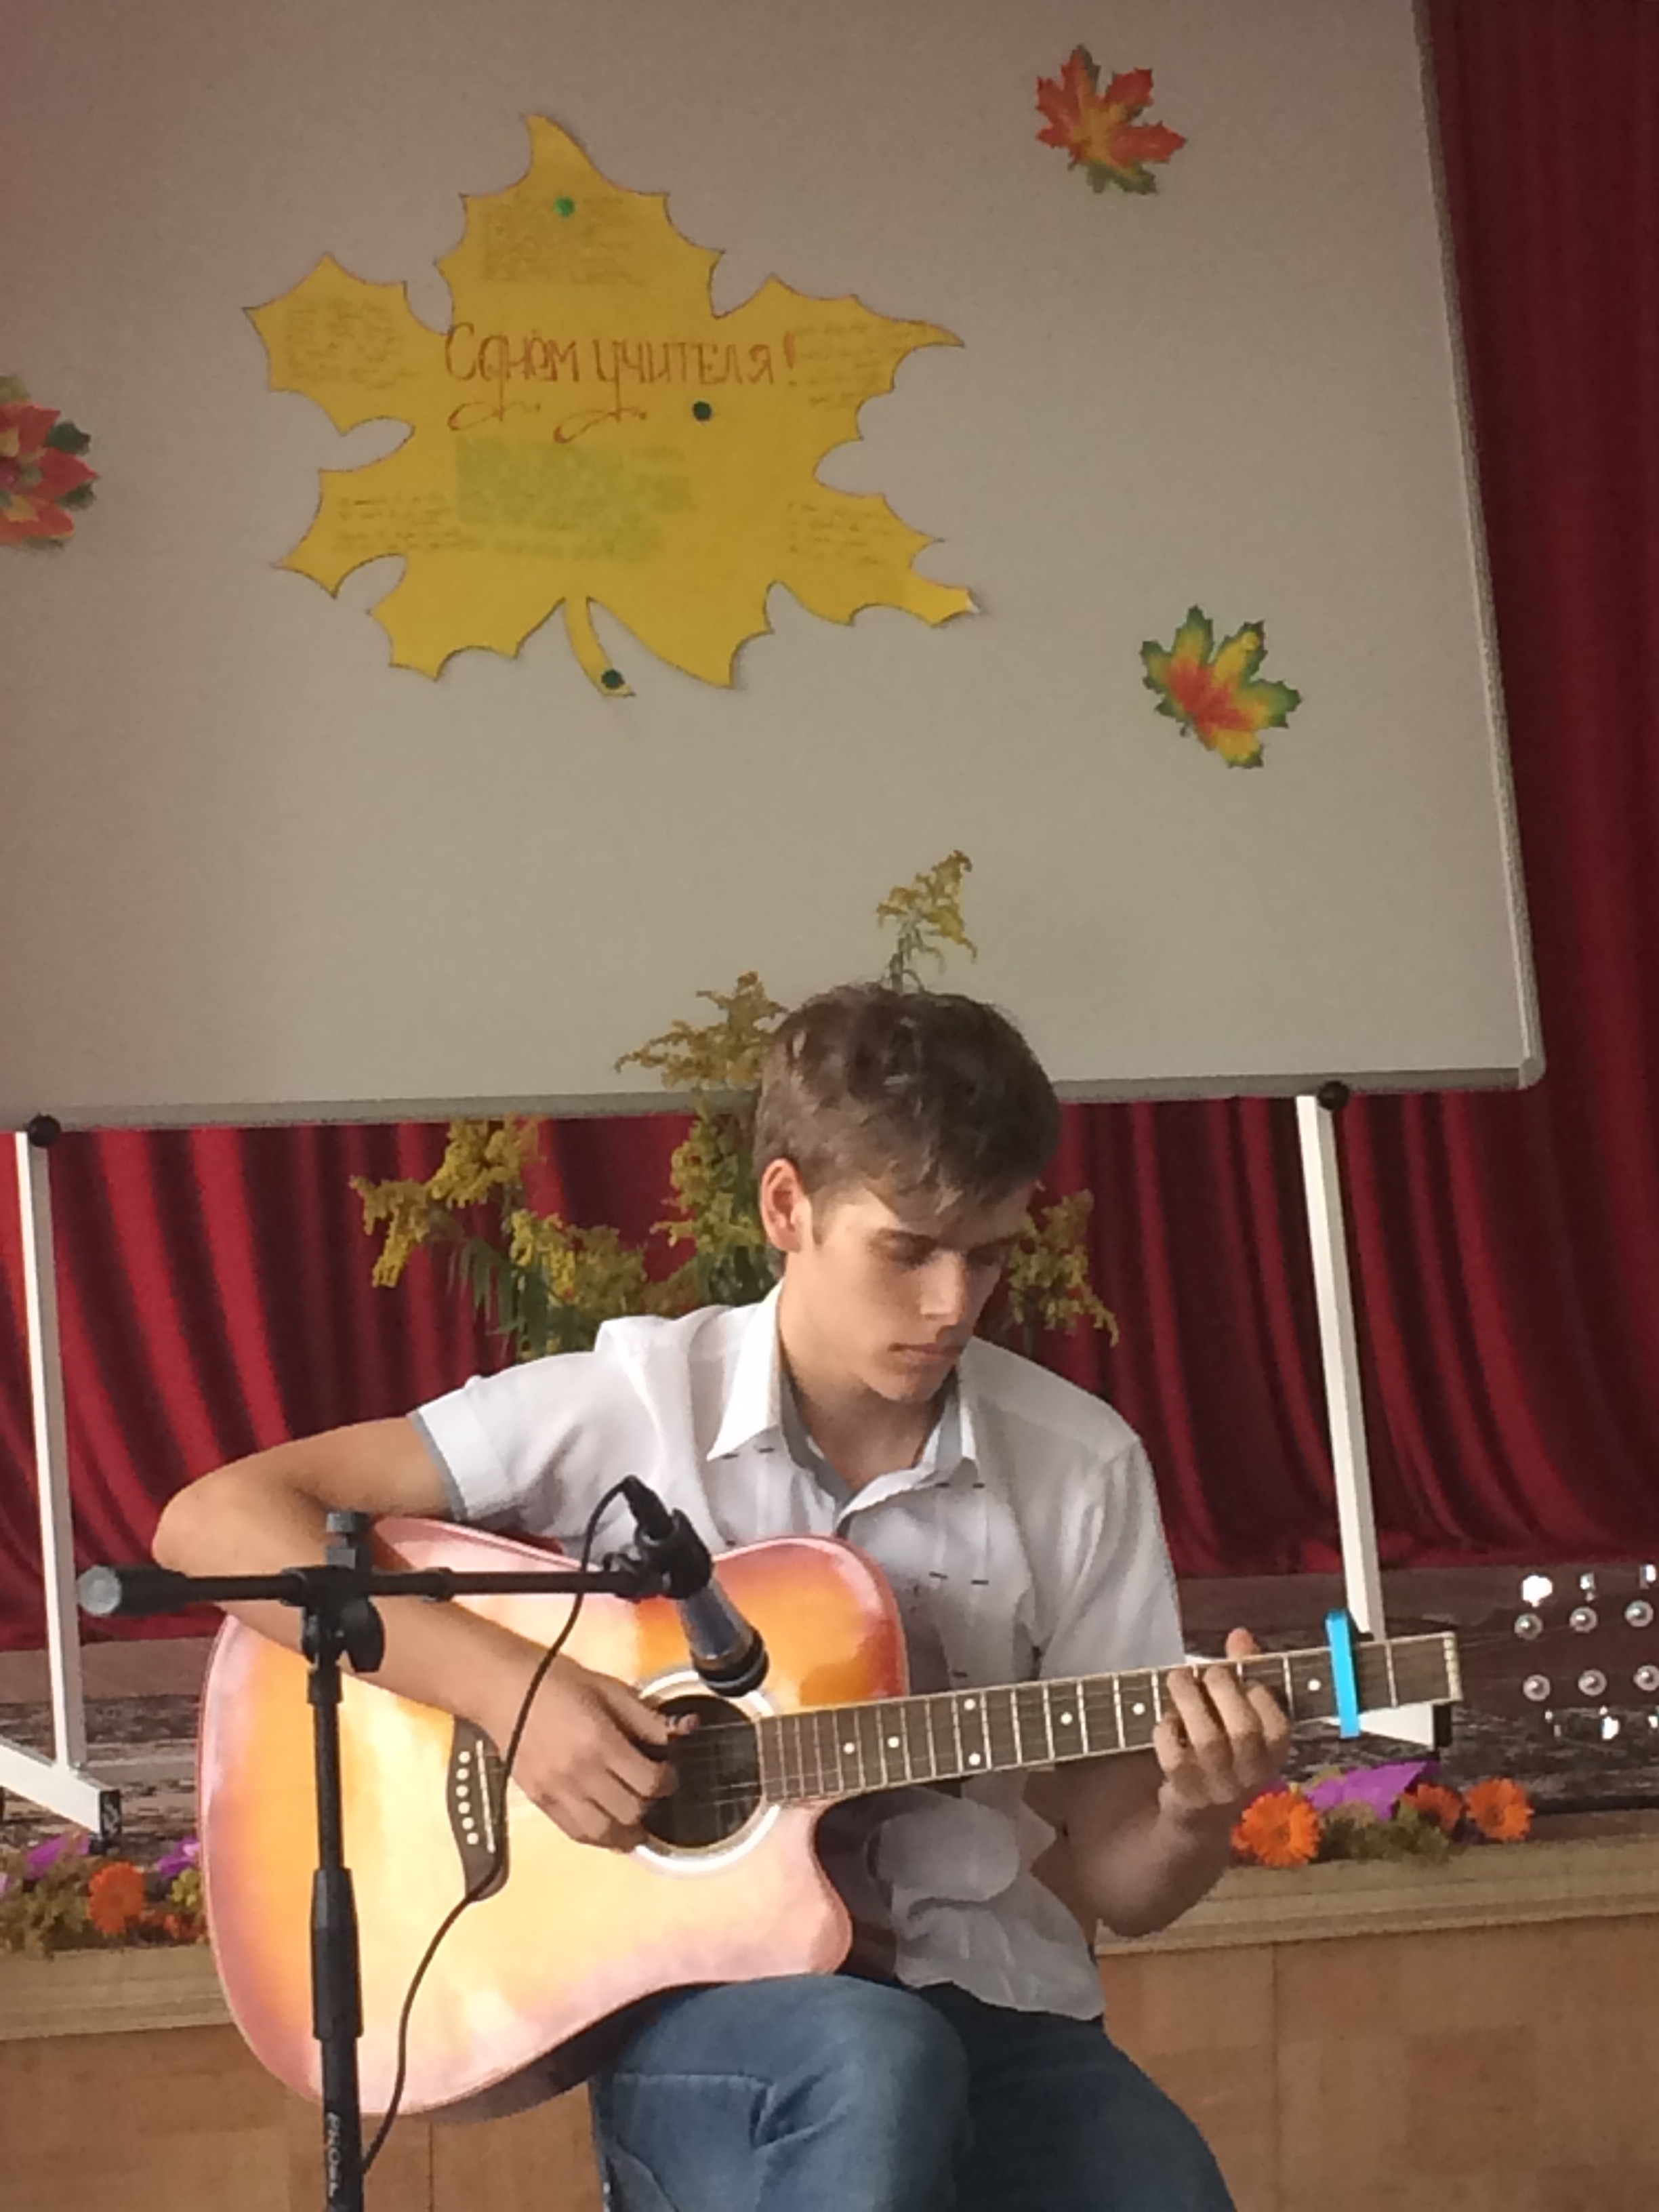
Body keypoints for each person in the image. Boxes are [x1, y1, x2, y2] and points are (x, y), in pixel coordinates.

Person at [155, 983, 1291, 2211]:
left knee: (1163, 2187)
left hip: (997, 2003)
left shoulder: (1080, 1463)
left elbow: (1122, 1887)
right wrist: (508, 1693)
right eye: (908, 1250)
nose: (952, 1305)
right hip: (710, 2018)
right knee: (875, 2065)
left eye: (989, 1254)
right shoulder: (632, 1405)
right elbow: (214, 1523)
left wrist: (1194, 1811)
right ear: (787, 1206)